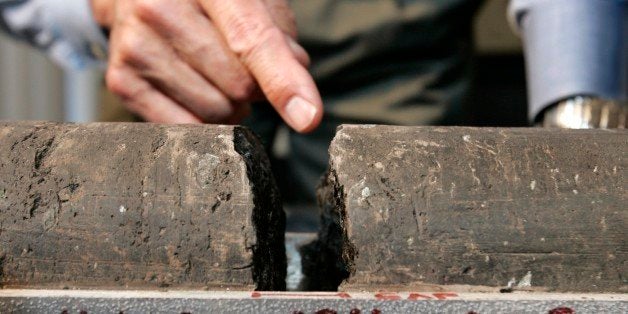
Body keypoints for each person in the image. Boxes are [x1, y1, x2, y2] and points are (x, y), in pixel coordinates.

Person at [2, 0, 626, 229]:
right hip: (175, 68)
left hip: (402, 75)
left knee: (406, 234)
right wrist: (105, 5)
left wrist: (579, 118)